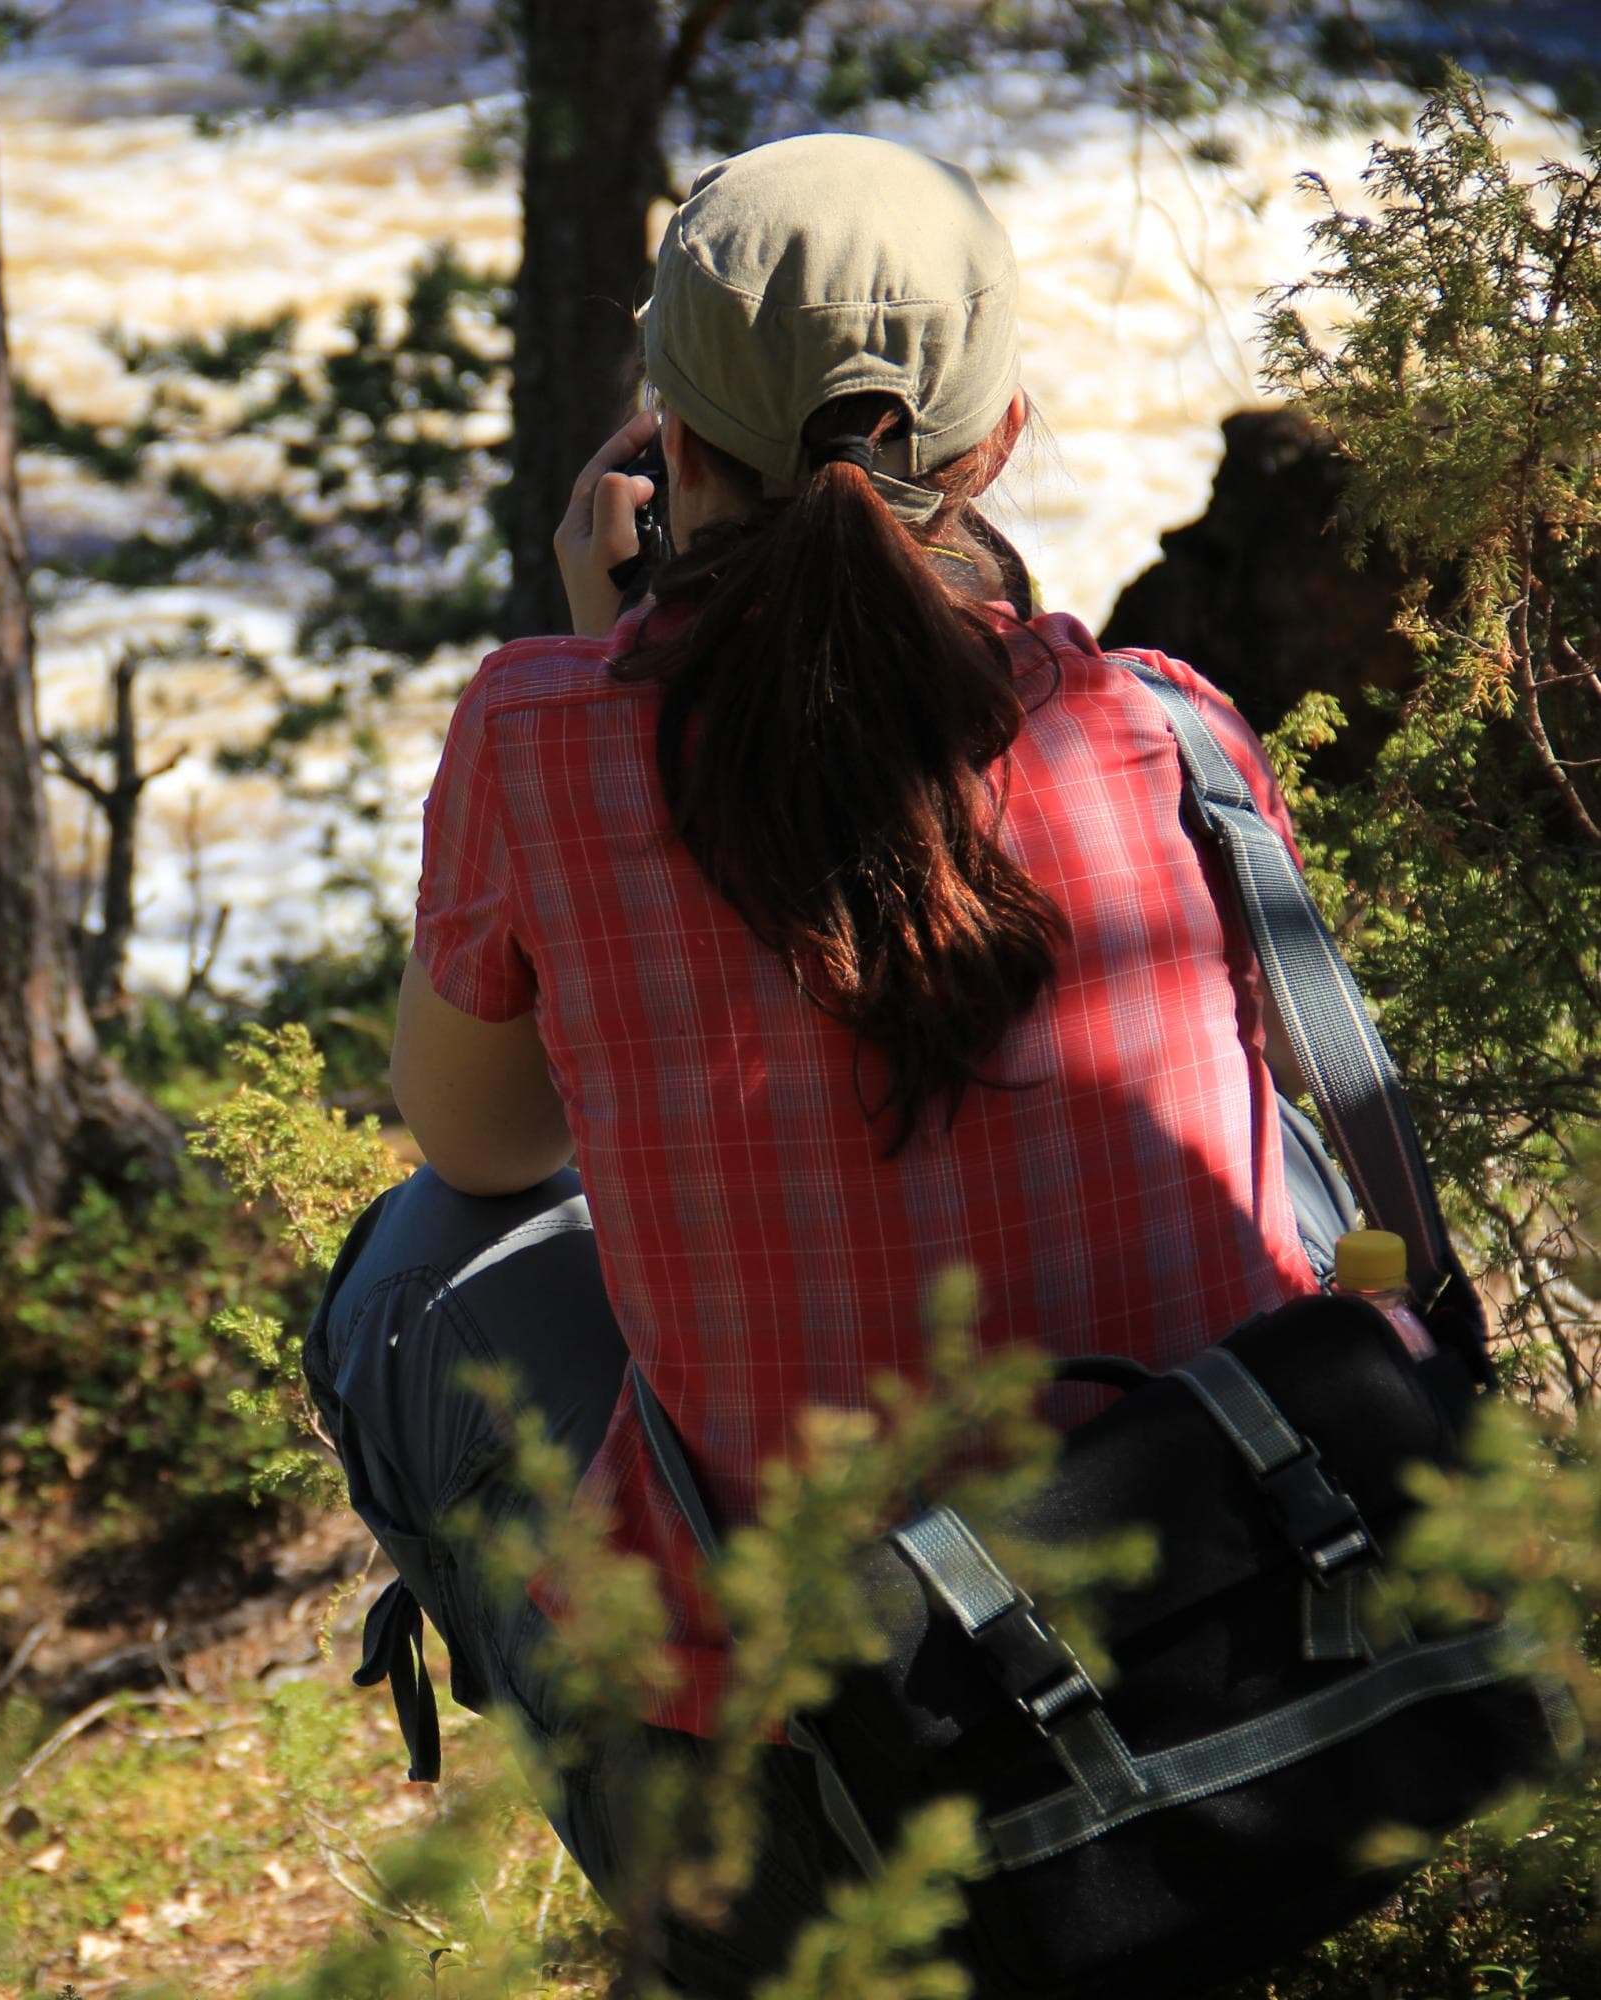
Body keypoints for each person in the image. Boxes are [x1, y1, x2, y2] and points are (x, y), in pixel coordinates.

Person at [342, 134, 1357, 1992]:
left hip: (836, 1766)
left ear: (665, 443)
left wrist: (602, 659)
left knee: (408, 1271)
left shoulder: (541, 737)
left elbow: (483, 1148)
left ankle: (709, 1897)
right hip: (1245, 1641)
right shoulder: (1167, 726)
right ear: (998, 442)